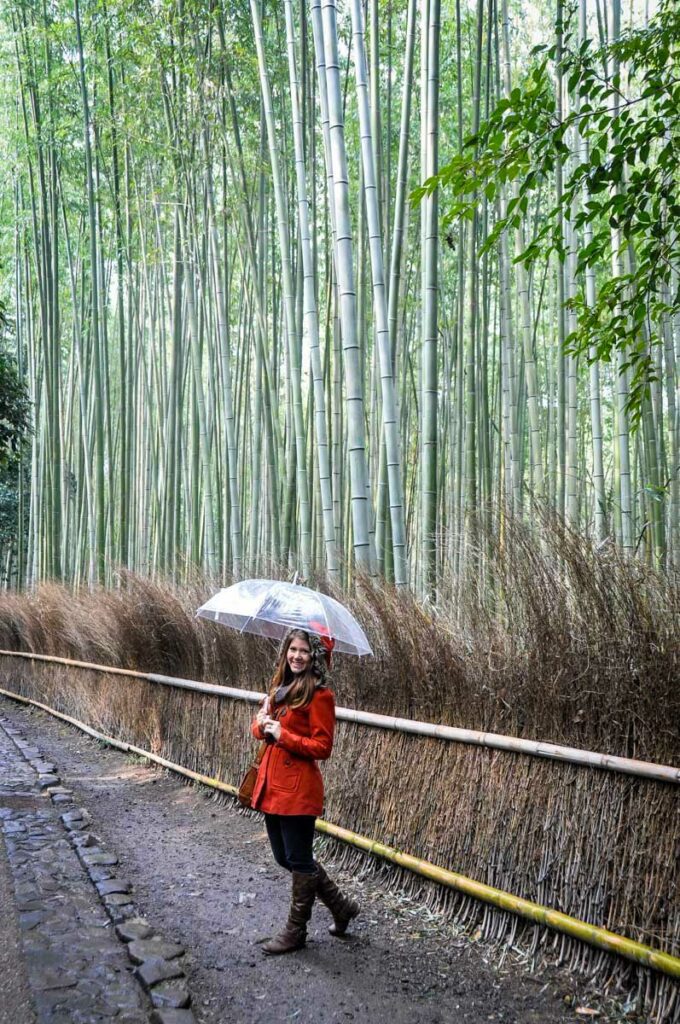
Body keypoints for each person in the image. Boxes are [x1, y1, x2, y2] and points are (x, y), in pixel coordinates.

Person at [250, 628, 360, 955]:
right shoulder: (280, 689)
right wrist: (262, 721)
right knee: (286, 857)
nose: (297, 656)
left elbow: (323, 746)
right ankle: (340, 906)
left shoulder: (320, 695)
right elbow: (259, 731)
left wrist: (284, 735)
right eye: (292, 649)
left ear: (315, 657)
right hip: (272, 785)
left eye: (304, 651)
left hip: (298, 789)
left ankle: (296, 931)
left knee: (298, 859)